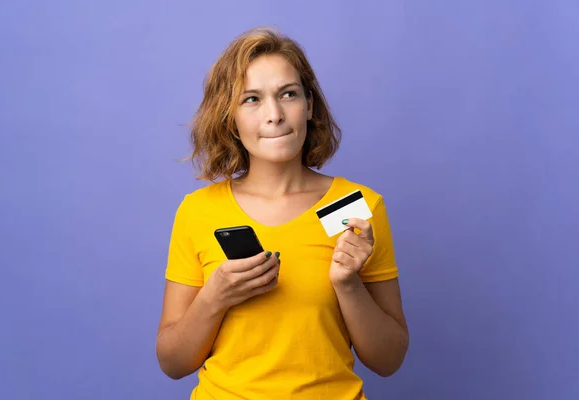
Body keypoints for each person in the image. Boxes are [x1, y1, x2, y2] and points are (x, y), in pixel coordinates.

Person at [156, 27, 409, 400]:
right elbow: (173, 363)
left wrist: (349, 285)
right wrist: (215, 297)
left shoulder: (357, 206)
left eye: (287, 94)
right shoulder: (198, 211)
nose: (274, 115)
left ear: (308, 104)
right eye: (252, 99)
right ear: (230, 117)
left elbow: (389, 360)